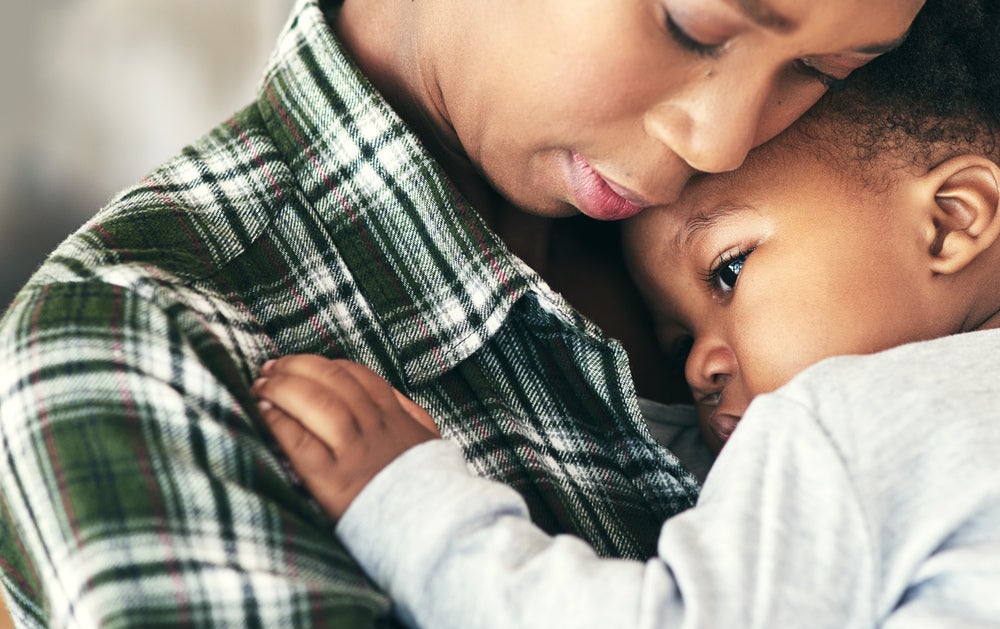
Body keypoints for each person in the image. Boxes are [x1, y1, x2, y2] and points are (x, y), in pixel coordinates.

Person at [0, 0, 926, 626]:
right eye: (692, 22)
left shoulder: (890, 185)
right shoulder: (145, 344)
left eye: (823, 68)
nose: (720, 139)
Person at [251, 3, 1000, 626]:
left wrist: (412, 509)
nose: (720, 141)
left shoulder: (853, 421)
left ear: (952, 221)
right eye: (677, 341)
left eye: (729, 270)